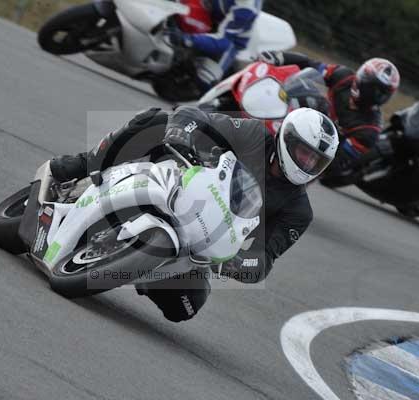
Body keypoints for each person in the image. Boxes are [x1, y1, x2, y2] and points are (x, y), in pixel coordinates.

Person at [50, 105, 339, 322]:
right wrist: (180, 136)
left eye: (317, 160)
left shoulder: (299, 211)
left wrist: (236, 263)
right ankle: (84, 164)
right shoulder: (254, 135)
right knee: (156, 120)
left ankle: (140, 266)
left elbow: (265, 259)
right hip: (178, 181)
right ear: (286, 139)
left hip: (201, 243)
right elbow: (194, 115)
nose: (308, 163)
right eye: (304, 153)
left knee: (185, 307)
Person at [258, 51, 400, 178]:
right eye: (371, 86)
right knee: (309, 95)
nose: (374, 94)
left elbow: (335, 162)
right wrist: (279, 58)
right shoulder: (343, 76)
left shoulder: (369, 130)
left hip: (313, 153)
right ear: (361, 77)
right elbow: (310, 65)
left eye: (381, 92)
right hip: (306, 121)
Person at [169, 0, 262, 91]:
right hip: (204, 17)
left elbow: (224, 41)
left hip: (227, 40)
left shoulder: (247, 8)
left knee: (202, 83)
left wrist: (188, 40)